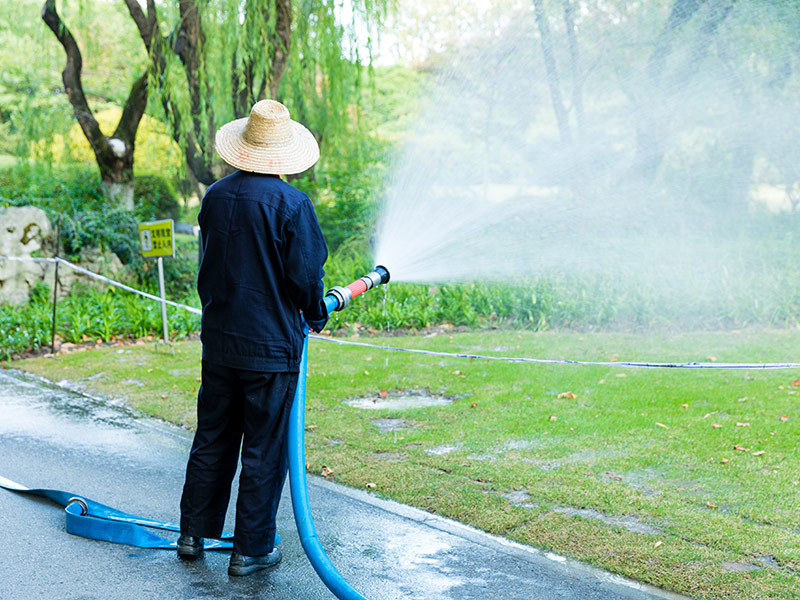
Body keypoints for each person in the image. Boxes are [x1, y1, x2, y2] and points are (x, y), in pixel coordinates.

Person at [177, 100, 329, 576]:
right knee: (263, 444)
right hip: (269, 348)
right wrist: (315, 312)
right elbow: (304, 276)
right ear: (285, 156)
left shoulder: (216, 196)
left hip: (220, 341)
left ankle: (191, 534)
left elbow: (210, 264)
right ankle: (252, 549)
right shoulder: (292, 204)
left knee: (213, 436)